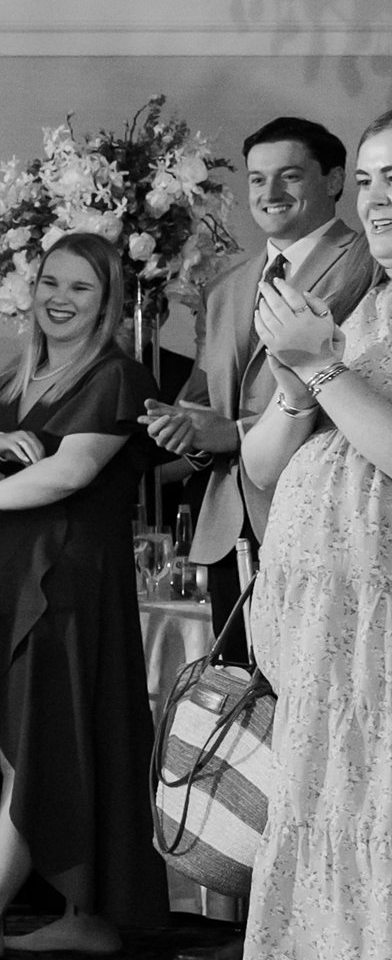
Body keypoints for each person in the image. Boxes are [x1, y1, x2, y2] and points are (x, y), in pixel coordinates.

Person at [0, 233, 172, 960]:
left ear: (109, 299)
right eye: (51, 281)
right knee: (41, 731)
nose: (59, 297)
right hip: (9, 568)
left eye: (80, 287)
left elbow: (69, 474)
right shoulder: (14, 376)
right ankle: (84, 913)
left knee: (39, 736)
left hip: (70, 576)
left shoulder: (118, 373)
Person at [237, 104, 392, 960]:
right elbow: (258, 463)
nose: (382, 197)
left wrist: (326, 368)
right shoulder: (361, 299)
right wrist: (297, 378)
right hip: (326, 637)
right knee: (353, 855)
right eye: (376, 179)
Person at [143, 117, 373, 641]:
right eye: (256, 178)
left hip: (325, 521)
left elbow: (360, 388)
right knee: (240, 702)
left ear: (335, 180)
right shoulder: (225, 287)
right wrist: (187, 431)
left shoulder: (368, 262)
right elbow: (205, 406)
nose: (269, 193)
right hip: (229, 527)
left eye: (289, 176)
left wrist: (235, 432)